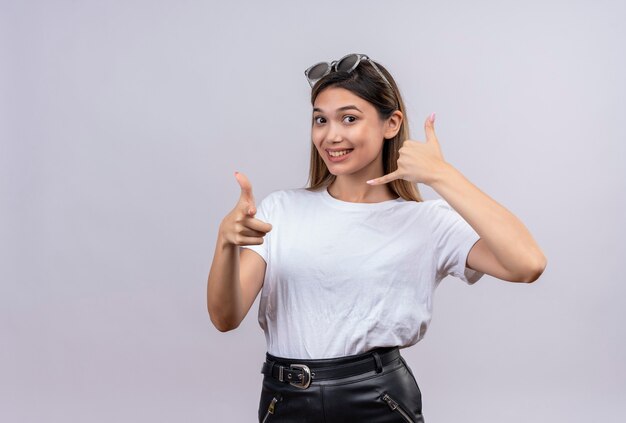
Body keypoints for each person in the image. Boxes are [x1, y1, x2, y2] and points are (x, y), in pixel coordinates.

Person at [207, 53, 547, 422]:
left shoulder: (427, 222)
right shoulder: (281, 211)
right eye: (320, 120)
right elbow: (225, 317)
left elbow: (527, 264)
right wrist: (226, 243)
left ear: (391, 124)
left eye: (349, 118)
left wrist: (442, 176)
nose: (331, 135)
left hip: (378, 402)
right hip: (285, 400)